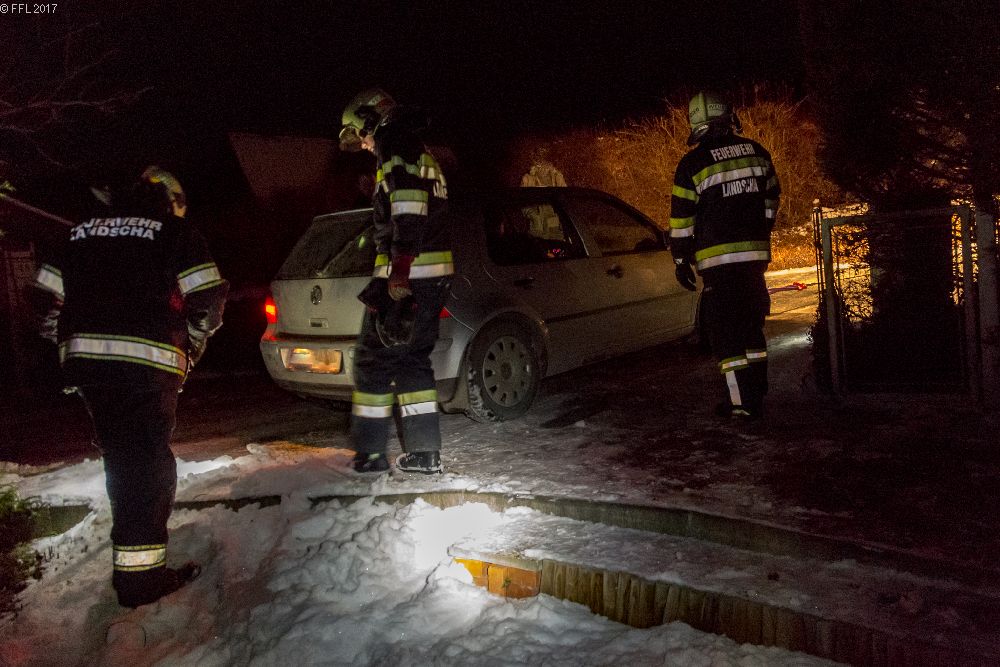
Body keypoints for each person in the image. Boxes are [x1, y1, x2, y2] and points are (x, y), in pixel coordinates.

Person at [32, 166, 228, 607]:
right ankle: (141, 581)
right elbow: (208, 298)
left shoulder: (77, 233)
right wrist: (191, 345)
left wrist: (69, 344)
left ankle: (135, 569)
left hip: (89, 370)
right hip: (146, 367)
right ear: (169, 201)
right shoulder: (174, 233)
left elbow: (43, 302)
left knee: (124, 461)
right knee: (146, 469)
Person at [338, 88, 452, 474]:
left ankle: (370, 456)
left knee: (372, 362)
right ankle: (424, 454)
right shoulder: (417, 147)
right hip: (432, 277)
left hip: (407, 278)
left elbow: (408, 207)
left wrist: (399, 269)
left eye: (361, 134)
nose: (364, 144)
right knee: (411, 361)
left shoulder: (396, 143)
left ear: (372, 120)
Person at [669, 92, 781, 420]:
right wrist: (760, 229)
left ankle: (740, 404)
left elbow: (682, 221)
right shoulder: (757, 153)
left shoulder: (692, 164)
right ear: (728, 117)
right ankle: (756, 394)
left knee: (725, 336)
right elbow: (772, 199)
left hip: (718, 268)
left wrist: (680, 259)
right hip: (754, 263)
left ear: (697, 123)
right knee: (752, 329)